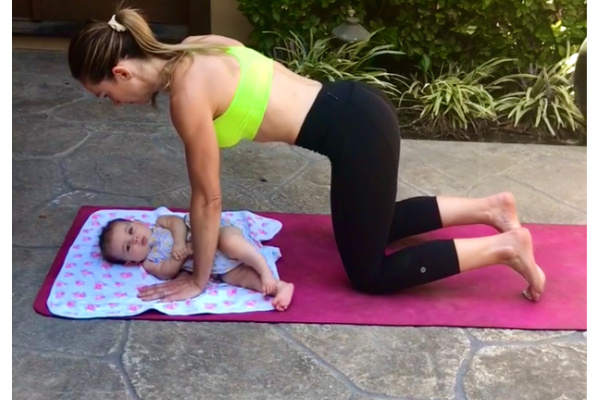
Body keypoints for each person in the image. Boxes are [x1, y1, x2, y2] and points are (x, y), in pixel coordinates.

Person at [67, 7, 545, 303]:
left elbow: (207, 200)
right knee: (363, 226)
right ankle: (490, 208)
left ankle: (505, 248)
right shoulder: (197, 45)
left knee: (369, 272)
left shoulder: (186, 95)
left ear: (121, 72)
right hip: (355, 109)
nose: (113, 105)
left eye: (104, 94)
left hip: (357, 133)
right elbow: (268, 73)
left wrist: (198, 279)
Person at [98, 213, 294, 310]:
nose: (134, 239)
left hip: (216, 237)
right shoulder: (149, 262)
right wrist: (185, 254)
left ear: (137, 223)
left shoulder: (159, 223)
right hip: (216, 266)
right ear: (131, 263)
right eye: (127, 248)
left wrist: (181, 244)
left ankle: (263, 269)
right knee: (239, 277)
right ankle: (279, 287)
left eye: (131, 231)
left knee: (229, 242)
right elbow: (167, 272)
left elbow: (177, 222)